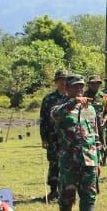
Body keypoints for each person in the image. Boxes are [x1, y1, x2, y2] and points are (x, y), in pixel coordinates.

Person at [52, 75, 107, 211]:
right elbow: (56, 116)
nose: (79, 90)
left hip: (89, 158)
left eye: (81, 87)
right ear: (67, 89)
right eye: (75, 87)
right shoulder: (59, 106)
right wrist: (73, 102)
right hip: (69, 159)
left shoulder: (90, 109)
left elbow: (96, 135)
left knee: (89, 195)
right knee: (67, 194)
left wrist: (98, 160)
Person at [38, 70, 68, 201]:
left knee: (68, 164)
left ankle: (66, 191)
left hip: (69, 138)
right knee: (53, 164)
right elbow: (43, 120)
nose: (63, 82)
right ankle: (53, 191)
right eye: (60, 79)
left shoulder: (72, 97)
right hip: (53, 137)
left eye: (65, 79)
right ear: (56, 82)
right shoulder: (48, 99)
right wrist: (44, 138)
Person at [85, 74, 107, 166]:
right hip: (86, 125)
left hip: (100, 125)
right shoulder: (83, 95)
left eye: (97, 84)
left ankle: (101, 161)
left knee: (101, 143)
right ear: (89, 84)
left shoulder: (104, 96)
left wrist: (105, 118)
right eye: (93, 84)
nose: (95, 85)